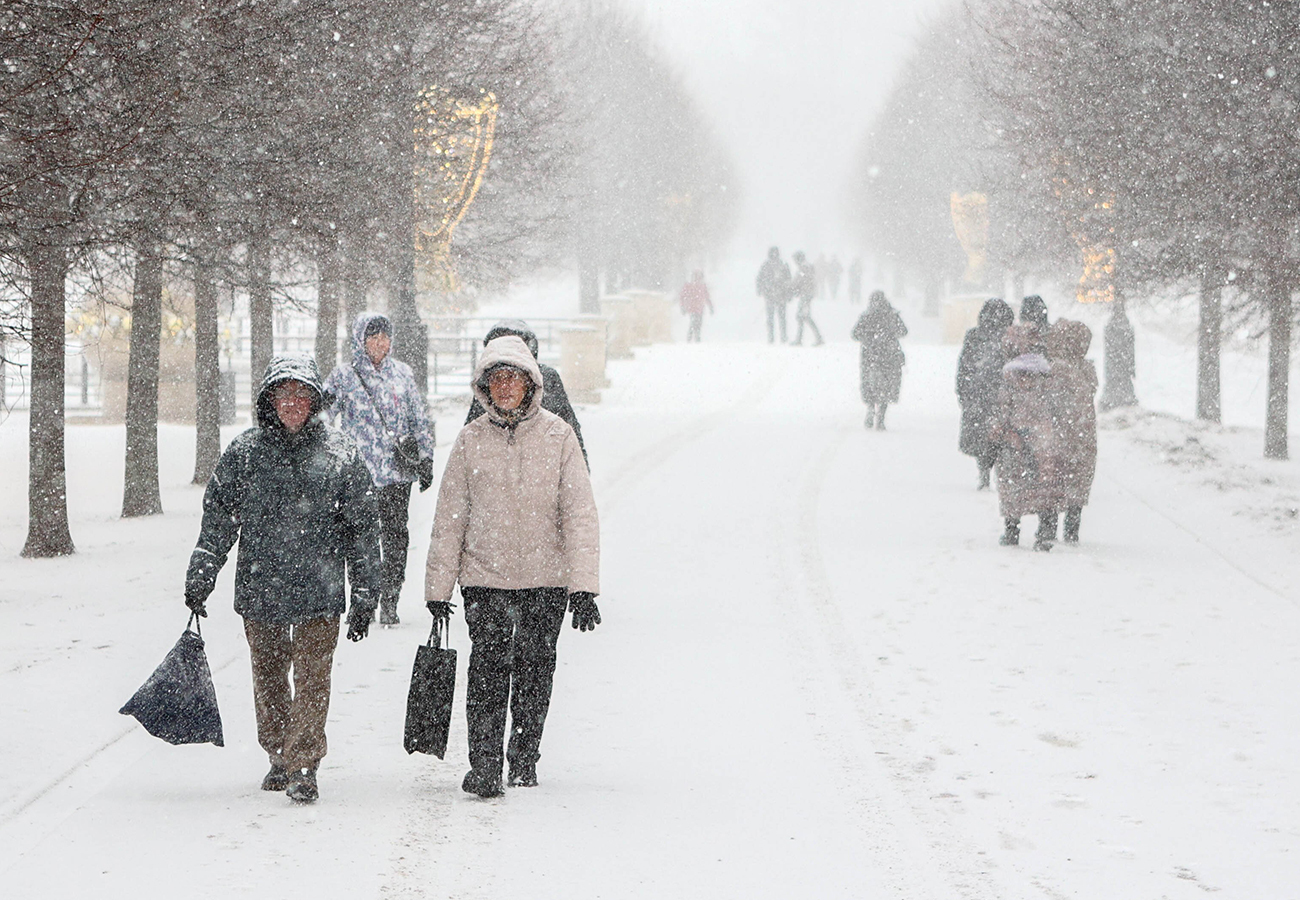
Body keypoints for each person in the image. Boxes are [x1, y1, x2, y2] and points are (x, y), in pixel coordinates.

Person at [185, 355, 381, 803]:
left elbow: (362, 528)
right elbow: (218, 519)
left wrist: (368, 590)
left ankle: (304, 762)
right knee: (269, 676)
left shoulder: (341, 455)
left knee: (313, 678)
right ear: (269, 400)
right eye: (283, 394)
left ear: (315, 400)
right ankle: (278, 752)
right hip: (262, 585)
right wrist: (202, 571)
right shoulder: (245, 454)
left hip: (321, 586)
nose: (292, 403)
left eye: (301, 394)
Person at [426, 335, 601, 798]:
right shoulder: (469, 442)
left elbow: (579, 513)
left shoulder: (558, 437)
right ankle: (484, 765)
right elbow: (450, 518)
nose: (505, 387)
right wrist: (438, 589)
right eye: (497, 378)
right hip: (486, 580)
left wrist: (583, 587)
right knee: (486, 673)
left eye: (514, 378)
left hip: (546, 580)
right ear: (485, 386)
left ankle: (523, 757)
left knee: (535, 672)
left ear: (530, 383)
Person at [322, 313, 436, 626]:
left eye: (385, 336)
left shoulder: (403, 374)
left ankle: (390, 599)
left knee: (396, 538)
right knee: (360, 539)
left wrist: (425, 458)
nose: (380, 343)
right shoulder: (344, 376)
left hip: (397, 474)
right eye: (373, 337)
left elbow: (419, 418)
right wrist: (330, 456)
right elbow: (323, 417)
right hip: (359, 476)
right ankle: (364, 598)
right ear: (360, 340)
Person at [465, 319, 587, 466]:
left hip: (537, 467)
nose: (505, 385)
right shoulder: (490, 385)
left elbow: (568, 428)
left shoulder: (546, 379)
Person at [991, 328, 1062, 551]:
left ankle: (1013, 529)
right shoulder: (1047, 385)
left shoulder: (1009, 385)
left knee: (1014, 487)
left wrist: (1001, 431)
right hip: (1041, 442)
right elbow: (1057, 413)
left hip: (1017, 444)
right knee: (1043, 487)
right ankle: (1045, 530)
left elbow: (1000, 415)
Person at [1045, 319, 1098, 542]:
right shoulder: (1084, 369)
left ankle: (1050, 526)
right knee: (1077, 478)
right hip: (1082, 431)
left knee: (1054, 477)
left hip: (1057, 432)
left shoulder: (1051, 368)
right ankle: (1071, 527)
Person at [957, 298, 1015, 488]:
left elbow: (964, 365)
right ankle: (1000, 469)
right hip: (1003, 393)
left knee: (980, 433)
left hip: (978, 392)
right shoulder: (1011, 337)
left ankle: (983, 469)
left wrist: (963, 391)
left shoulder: (974, 335)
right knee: (1002, 433)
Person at [851, 290, 908, 429]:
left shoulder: (867, 316)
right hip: (889, 355)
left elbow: (855, 334)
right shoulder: (892, 315)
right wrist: (889, 336)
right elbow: (903, 331)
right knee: (887, 386)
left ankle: (870, 409)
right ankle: (881, 417)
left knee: (870, 384)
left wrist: (868, 337)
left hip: (870, 356)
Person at [1100, 295, 1138, 410]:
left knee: (1119, 384)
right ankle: (1119, 402)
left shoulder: (1115, 327)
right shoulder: (1122, 327)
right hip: (1120, 364)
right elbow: (1130, 350)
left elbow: (1129, 349)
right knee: (1120, 384)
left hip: (1119, 364)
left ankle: (1116, 402)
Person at [755, 246, 791, 344]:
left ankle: (775, 337)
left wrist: (760, 289)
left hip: (772, 295)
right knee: (779, 317)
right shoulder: (782, 265)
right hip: (777, 295)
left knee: (774, 317)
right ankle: (779, 336)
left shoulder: (767, 265)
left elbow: (760, 279)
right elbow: (788, 280)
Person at [790, 251, 823, 346]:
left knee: (803, 316)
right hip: (807, 294)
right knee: (803, 316)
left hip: (806, 295)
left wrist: (792, 286)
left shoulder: (804, 268)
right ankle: (802, 338)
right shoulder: (806, 267)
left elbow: (800, 280)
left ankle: (815, 338)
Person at [679, 270, 713, 342]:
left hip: (698, 309)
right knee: (694, 323)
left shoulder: (701, 286)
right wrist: (683, 307)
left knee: (697, 323)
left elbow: (707, 297)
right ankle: (693, 338)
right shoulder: (690, 286)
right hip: (694, 308)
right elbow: (683, 297)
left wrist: (710, 307)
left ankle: (693, 338)